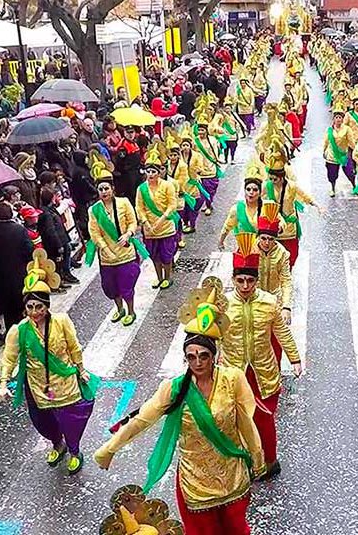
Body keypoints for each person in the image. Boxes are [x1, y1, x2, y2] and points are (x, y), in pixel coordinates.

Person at [94, 278, 263, 535]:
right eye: (191, 357)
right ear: (185, 358)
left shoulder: (232, 379)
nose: (198, 362)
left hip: (232, 475)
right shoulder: (173, 389)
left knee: (237, 530)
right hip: (195, 483)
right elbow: (142, 420)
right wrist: (110, 449)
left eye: (204, 356)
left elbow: (245, 420)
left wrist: (257, 454)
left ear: (214, 355)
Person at [0, 260, 97, 476]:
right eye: (30, 307)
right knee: (44, 423)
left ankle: (75, 451)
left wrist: (82, 369)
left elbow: (74, 347)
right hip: (37, 387)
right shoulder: (19, 330)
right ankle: (57, 444)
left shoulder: (61, 321)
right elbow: (9, 358)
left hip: (65, 383)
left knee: (71, 420)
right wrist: (3, 384)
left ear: (47, 306)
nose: (34, 312)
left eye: (39, 306)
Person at [221, 233, 302, 478]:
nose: (245, 286)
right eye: (240, 281)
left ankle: (269, 460)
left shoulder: (269, 302)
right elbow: (211, 336)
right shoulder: (222, 304)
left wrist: (295, 358)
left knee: (265, 421)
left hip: (263, 373)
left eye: (250, 281)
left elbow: (282, 332)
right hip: (234, 373)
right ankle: (244, 460)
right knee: (236, 420)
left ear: (256, 281)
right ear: (233, 280)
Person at [85, 154, 145, 326]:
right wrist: (106, 249)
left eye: (106, 188)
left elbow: (133, 222)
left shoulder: (124, 202)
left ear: (112, 189)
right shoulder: (94, 211)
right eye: (101, 189)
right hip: (107, 257)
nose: (104, 192)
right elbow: (94, 233)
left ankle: (131, 311)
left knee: (127, 285)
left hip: (125, 252)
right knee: (111, 287)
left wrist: (128, 234)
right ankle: (119, 309)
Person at [261, 145, 319, 268]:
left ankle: (287, 273)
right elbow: (257, 198)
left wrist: (316, 204)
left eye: (274, 178)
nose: (272, 180)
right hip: (273, 226)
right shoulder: (267, 186)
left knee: (292, 255)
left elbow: (304, 195)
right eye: (270, 178)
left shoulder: (292, 186)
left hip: (290, 228)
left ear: (281, 176)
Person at [0, 202, 33, 330]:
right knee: (23, 305)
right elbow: (29, 250)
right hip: (19, 274)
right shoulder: (19, 230)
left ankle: (12, 333)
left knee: (7, 309)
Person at [135, 144, 179, 289]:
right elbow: (139, 207)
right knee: (154, 256)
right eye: (148, 171)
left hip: (165, 226)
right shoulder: (141, 189)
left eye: (154, 171)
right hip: (150, 229)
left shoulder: (168, 185)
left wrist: (162, 219)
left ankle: (168, 277)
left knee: (166, 254)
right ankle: (159, 277)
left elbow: (172, 205)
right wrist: (145, 222)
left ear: (159, 172)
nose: (151, 174)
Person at [220, 161, 264, 249]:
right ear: (244, 191)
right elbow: (227, 227)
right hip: (245, 249)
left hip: (263, 250)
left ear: (260, 193)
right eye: (248, 189)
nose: (251, 192)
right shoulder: (236, 209)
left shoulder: (267, 207)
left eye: (255, 190)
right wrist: (221, 242)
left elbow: (278, 221)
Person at [323, 100, 355, 197]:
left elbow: (351, 142)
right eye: (336, 117)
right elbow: (326, 142)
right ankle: (333, 188)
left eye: (340, 117)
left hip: (343, 154)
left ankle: (354, 185)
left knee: (350, 172)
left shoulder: (347, 129)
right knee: (332, 174)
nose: (338, 119)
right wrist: (324, 151)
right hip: (332, 156)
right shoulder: (330, 130)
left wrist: (356, 151)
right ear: (334, 119)